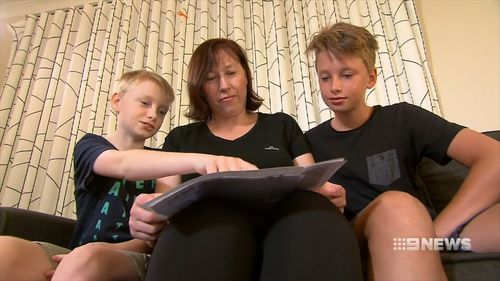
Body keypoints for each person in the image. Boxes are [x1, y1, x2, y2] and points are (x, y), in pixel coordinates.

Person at [129, 38, 363, 281]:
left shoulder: (281, 125)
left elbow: (313, 182)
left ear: (246, 76)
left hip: (286, 233)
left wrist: (329, 195)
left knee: (311, 208)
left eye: (231, 73)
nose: (224, 85)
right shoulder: (181, 138)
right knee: (208, 214)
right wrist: (148, 215)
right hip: (208, 239)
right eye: (211, 78)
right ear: (200, 87)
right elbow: (163, 200)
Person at [0, 70, 256, 281]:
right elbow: (121, 163)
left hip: (129, 257)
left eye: (162, 110)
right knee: (6, 251)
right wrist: (205, 160)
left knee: (85, 261)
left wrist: (100, 253)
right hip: (74, 251)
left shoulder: (167, 163)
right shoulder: (91, 145)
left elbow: (154, 234)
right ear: (117, 101)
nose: (153, 114)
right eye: (145, 103)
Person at [304, 22, 500, 280]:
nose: (334, 86)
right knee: (397, 204)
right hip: (365, 231)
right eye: (325, 77)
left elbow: (493, 156)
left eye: (347, 75)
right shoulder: (308, 143)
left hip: (425, 232)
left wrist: (436, 232)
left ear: (371, 78)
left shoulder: (402, 118)